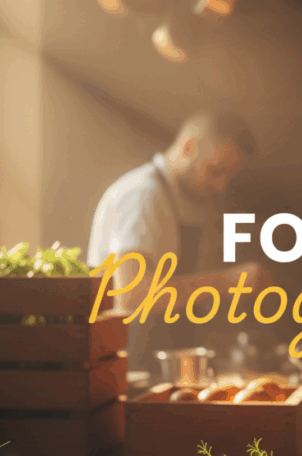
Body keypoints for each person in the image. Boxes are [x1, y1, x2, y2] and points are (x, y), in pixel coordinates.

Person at [88, 110, 272, 374]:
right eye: (215, 171)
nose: (220, 186)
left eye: (227, 176)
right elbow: (131, 294)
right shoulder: (143, 195)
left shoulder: (182, 198)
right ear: (188, 147)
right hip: (130, 367)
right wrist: (227, 281)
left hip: (165, 365)